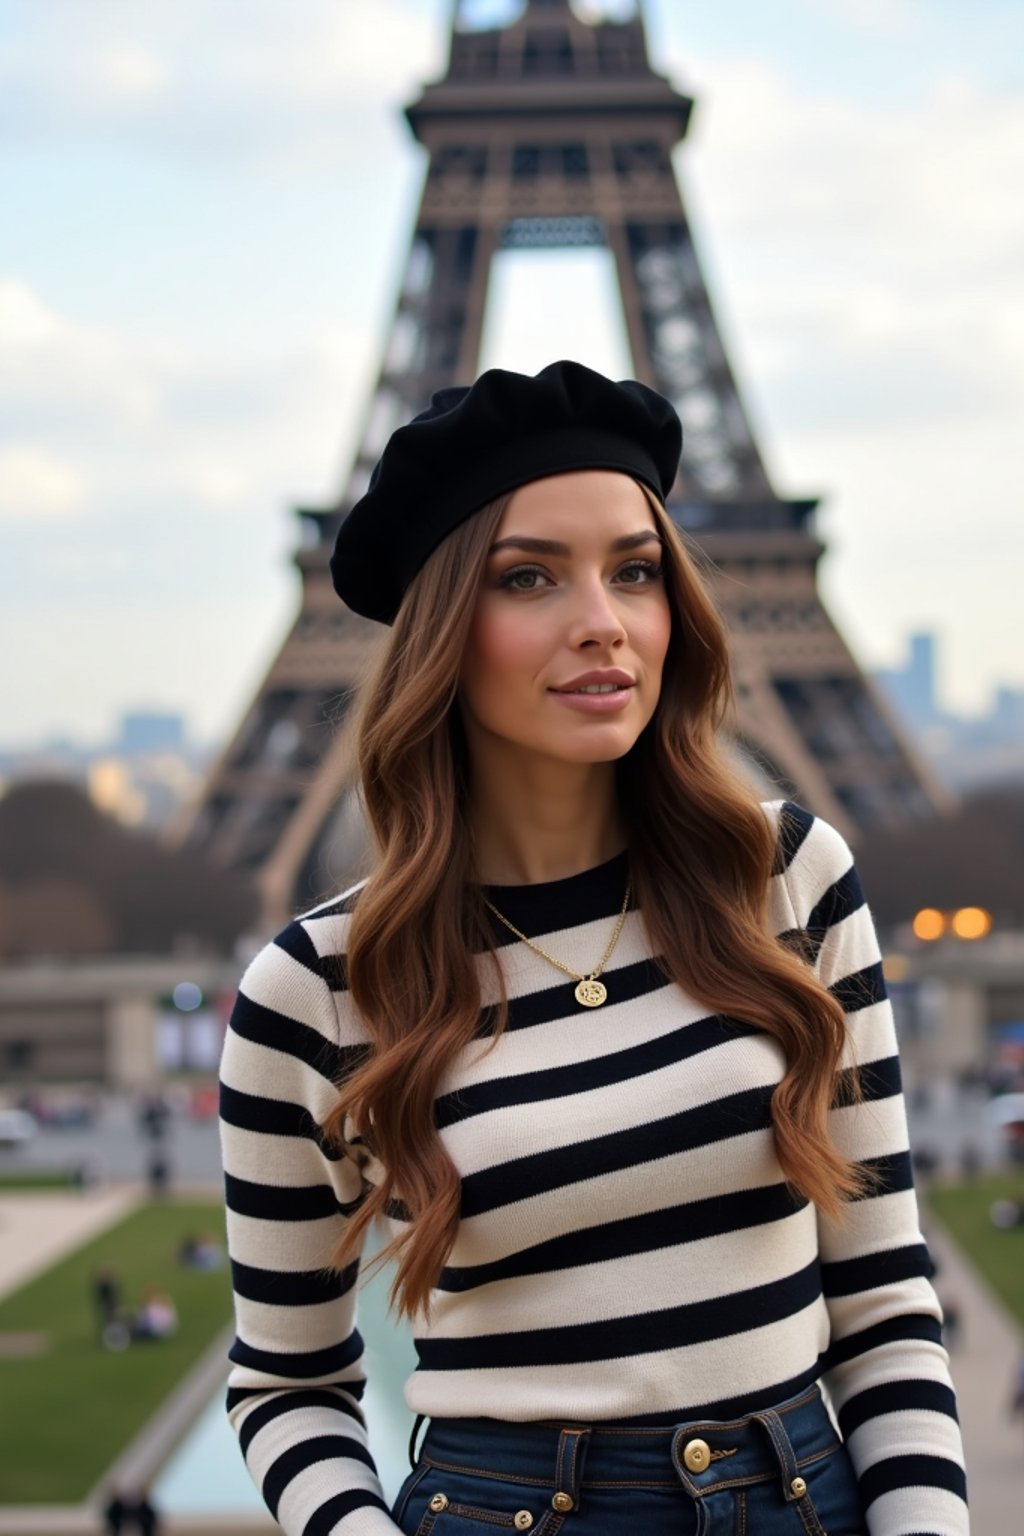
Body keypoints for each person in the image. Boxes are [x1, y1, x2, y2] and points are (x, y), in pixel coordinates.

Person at [219, 361, 968, 1535]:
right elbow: (288, 1383)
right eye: (530, 577)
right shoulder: (313, 990)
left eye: (635, 570)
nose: (603, 622)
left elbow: (880, 1300)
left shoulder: (786, 879)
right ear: (439, 635)